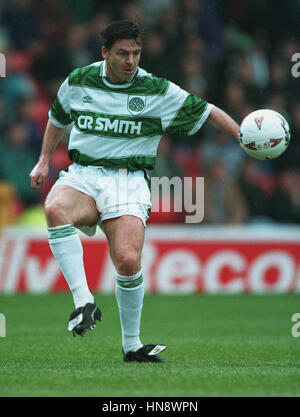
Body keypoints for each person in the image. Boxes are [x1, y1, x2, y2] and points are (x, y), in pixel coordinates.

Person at [30, 20, 240, 363]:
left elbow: (207, 111)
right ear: (105, 53)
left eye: (136, 53)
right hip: (85, 174)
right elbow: (57, 116)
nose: (131, 61)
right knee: (55, 208)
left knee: (127, 260)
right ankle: (84, 302)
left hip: (128, 180)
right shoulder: (80, 80)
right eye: (123, 53)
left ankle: (131, 345)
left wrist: (239, 132)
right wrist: (42, 161)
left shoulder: (155, 90)